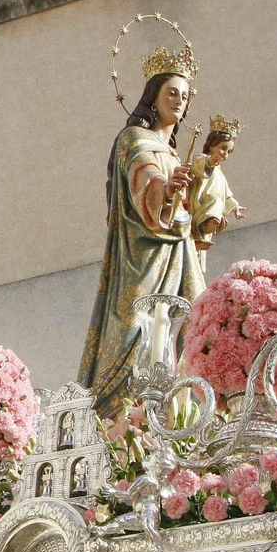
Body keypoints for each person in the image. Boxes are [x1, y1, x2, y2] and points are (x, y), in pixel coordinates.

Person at [79, 58, 203, 417]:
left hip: (178, 252)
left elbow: (188, 210)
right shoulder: (134, 137)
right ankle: (117, 417)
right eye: (171, 93)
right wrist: (165, 188)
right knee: (135, 326)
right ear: (153, 96)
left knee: (185, 330)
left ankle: (175, 413)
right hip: (142, 255)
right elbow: (143, 177)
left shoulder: (176, 151)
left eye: (184, 95)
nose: (179, 101)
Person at [187, 116, 245, 263]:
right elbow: (198, 166)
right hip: (199, 203)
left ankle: (207, 227)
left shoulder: (220, 173)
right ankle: (207, 223)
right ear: (212, 145)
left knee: (218, 203)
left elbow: (227, 194)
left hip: (212, 209)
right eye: (223, 148)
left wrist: (235, 207)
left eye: (228, 151)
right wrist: (208, 162)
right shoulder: (202, 158)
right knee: (215, 201)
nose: (225, 153)